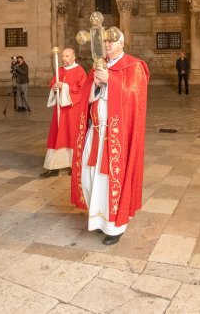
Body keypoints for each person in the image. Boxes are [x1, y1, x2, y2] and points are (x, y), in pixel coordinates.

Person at [71, 28, 149, 245]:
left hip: (116, 136)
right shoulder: (98, 66)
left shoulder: (134, 66)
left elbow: (135, 96)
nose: (107, 46)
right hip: (95, 132)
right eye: (105, 42)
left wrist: (111, 81)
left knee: (108, 181)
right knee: (89, 177)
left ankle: (115, 227)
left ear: (122, 43)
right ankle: (99, 220)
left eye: (112, 42)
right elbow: (85, 98)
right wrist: (95, 85)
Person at [41, 48, 87, 177]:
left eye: (67, 56)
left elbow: (82, 90)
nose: (64, 59)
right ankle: (54, 167)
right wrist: (55, 87)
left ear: (73, 57)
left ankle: (74, 165)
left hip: (72, 110)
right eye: (62, 56)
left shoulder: (79, 71)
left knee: (71, 135)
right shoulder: (60, 70)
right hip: (60, 109)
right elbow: (53, 83)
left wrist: (65, 87)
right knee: (56, 135)